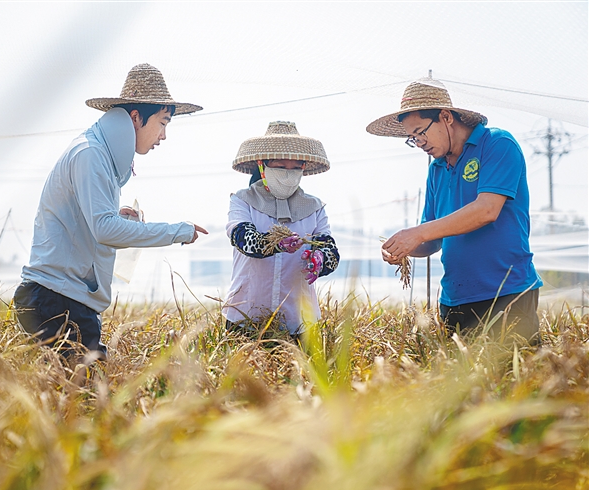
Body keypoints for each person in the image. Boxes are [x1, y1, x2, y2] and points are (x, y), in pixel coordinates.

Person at [15, 63, 208, 364]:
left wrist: (117, 216)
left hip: (61, 299)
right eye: (163, 122)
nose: (164, 135)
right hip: (56, 301)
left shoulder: (100, 154)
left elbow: (90, 222)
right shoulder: (91, 154)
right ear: (135, 117)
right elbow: (104, 230)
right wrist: (176, 231)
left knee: (73, 403)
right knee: (88, 401)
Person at [366, 77, 542, 343]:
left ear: (446, 116)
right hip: (454, 299)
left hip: (507, 293)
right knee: (461, 383)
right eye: (412, 138)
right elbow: (432, 241)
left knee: (517, 379)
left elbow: (487, 210)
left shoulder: (497, 144)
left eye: (421, 131)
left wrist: (417, 233)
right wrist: (405, 247)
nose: (419, 142)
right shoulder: (436, 170)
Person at [224, 121, 340, 335]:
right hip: (246, 318)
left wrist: (320, 260)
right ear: (262, 166)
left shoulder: (314, 207)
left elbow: (330, 251)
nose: (288, 173)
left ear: (303, 168)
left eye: (295, 167)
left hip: (299, 322)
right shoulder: (242, 201)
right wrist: (275, 242)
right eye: (280, 166)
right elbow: (243, 239)